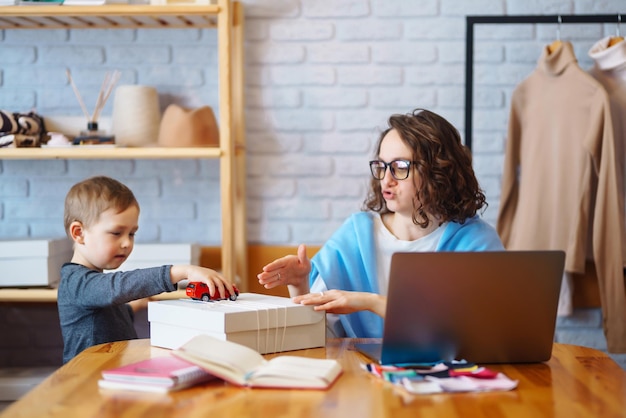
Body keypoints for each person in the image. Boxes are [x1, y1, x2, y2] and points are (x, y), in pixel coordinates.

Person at [257, 108, 504, 338]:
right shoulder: (356, 235)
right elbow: (320, 337)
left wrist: (372, 302)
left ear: (438, 171)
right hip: (364, 377)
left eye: (399, 167)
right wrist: (300, 286)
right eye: (382, 166)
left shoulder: (476, 242)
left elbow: (481, 331)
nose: (386, 179)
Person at [58, 176, 236, 363]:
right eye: (116, 233)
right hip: (86, 379)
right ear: (79, 233)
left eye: (132, 233)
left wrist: (133, 306)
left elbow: (108, 319)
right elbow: (114, 288)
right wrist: (181, 272)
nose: (127, 243)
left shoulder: (93, 286)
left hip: (111, 374)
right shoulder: (75, 282)